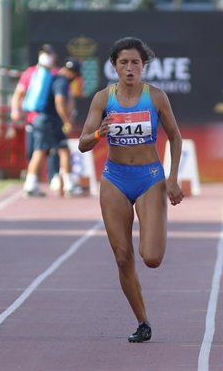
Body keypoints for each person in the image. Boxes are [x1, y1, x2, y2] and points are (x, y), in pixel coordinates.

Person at [78, 37, 184, 342]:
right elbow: (83, 143)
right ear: (114, 66)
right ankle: (142, 322)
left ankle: (154, 226)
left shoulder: (156, 97)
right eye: (123, 63)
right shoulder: (103, 99)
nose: (129, 68)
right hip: (115, 178)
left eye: (135, 62)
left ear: (143, 66)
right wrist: (100, 132)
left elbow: (176, 138)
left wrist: (173, 178)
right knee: (123, 257)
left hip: (150, 178)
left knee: (151, 257)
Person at [22, 57, 82, 197]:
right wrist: (66, 120)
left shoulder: (53, 78)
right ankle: (69, 185)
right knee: (61, 150)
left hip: (41, 120)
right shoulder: (61, 81)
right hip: (50, 121)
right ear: (72, 73)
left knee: (43, 150)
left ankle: (31, 185)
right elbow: (60, 101)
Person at [10, 44, 61, 193]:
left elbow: (19, 94)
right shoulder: (35, 73)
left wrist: (16, 111)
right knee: (40, 150)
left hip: (37, 120)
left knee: (45, 150)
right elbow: (19, 94)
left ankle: (46, 179)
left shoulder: (47, 73)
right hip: (44, 120)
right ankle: (35, 181)